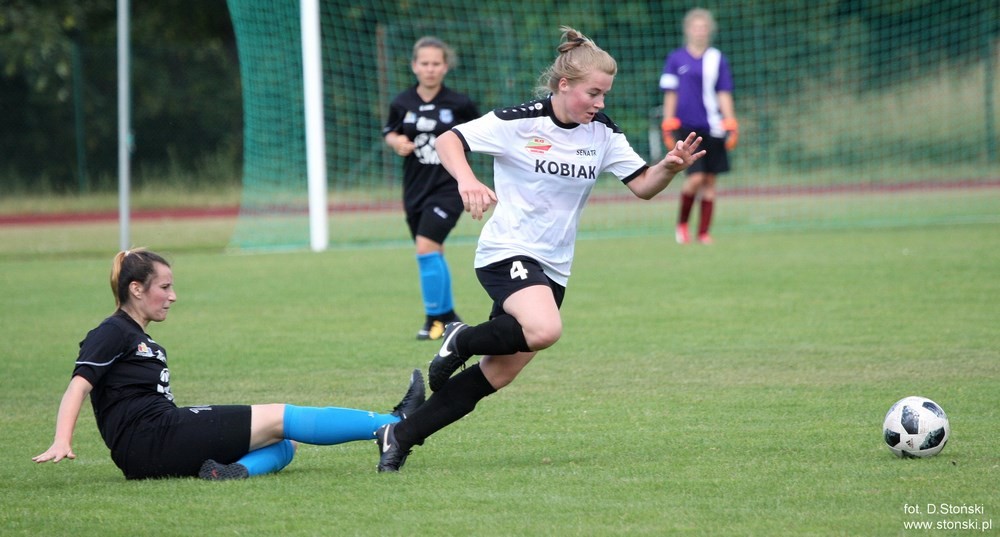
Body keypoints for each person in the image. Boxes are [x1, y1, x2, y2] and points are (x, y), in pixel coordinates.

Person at [372, 27, 705, 472]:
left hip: (554, 268)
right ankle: (459, 338)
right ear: (564, 85)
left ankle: (400, 436)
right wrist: (467, 180)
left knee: (498, 373)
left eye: (604, 95)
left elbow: (643, 185)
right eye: (593, 93)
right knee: (545, 329)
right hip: (507, 251)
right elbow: (449, 139)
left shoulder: (602, 133)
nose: (600, 103)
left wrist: (669, 167)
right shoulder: (520, 121)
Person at [33, 248, 426, 480]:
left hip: (153, 444)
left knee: (285, 442)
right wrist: (62, 439)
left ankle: (232, 473)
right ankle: (394, 423)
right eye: (164, 287)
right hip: (152, 439)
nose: (173, 296)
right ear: (136, 289)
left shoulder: (140, 337)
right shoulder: (112, 330)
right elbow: (78, 386)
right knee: (280, 416)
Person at [382, 36, 481, 340]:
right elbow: (390, 132)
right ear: (414, 66)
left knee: (425, 248)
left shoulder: (460, 104)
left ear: (445, 67)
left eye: (436, 63)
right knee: (433, 251)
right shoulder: (402, 102)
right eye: (424, 63)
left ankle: (433, 321)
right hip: (415, 188)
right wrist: (397, 142)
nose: (430, 69)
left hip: (449, 188)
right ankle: (449, 318)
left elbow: (481, 134)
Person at [659, 8, 738, 245]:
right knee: (695, 178)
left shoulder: (717, 59)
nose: (700, 31)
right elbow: (670, 93)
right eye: (696, 27)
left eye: (704, 27)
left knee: (710, 181)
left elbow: (723, 92)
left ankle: (703, 233)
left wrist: (731, 121)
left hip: (713, 126)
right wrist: (668, 121)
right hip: (686, 127)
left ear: (709, 31)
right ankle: (682, 225)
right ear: (688, 30)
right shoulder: (675, 59)